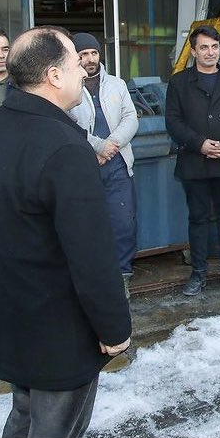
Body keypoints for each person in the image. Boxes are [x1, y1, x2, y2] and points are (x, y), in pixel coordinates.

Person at [0, 27, 132, 438]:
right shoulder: (65, 147)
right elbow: (90, 253)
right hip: (57, 331)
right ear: (54, 76)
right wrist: (114, 329)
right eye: (76, 62)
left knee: (24, 416)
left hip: (6, 319)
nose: (82, 71)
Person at [165, 25, 220, 296]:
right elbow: (173, 121)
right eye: (204, 47)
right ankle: (198, 274)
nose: (210, 52)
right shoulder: (179, 82)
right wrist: (200, 144)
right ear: (194, 51)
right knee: (198, 218)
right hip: (194, 162)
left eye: (215, 47)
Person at [67, 33, 139, 299]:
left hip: (118, 162)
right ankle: (91, 279)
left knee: (123, 222)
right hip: (85, 164)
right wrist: (98, 146)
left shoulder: (117, 84)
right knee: (87, 223)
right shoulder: (67, 86)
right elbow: (66, 122)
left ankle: (122, 276)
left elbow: (131, 117)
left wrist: (112, 144)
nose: (89, 59)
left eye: (93, 53)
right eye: (83, 54)